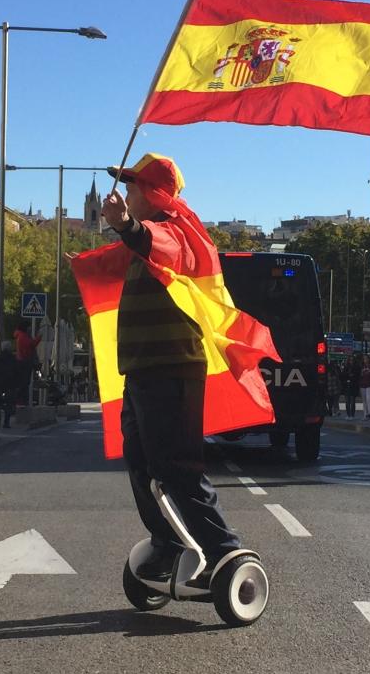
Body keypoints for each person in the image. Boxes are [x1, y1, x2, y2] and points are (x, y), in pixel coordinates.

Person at [78, 153, 263, 581]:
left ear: (150, 194)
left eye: (130, 187)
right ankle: (168, 544)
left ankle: (223, 549)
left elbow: (162, 247)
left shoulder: (180, 233)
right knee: (142, 466)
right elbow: (127, 254)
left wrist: (127, 226)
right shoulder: (143, 239)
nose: (124, 193)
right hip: (142, 371)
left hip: (172, 371)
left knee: (177, 469)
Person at [0, 340, 18, 428]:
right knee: (8, 403)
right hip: (9, 384)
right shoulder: (12, 358)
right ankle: (6, 422)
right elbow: (16, 371)